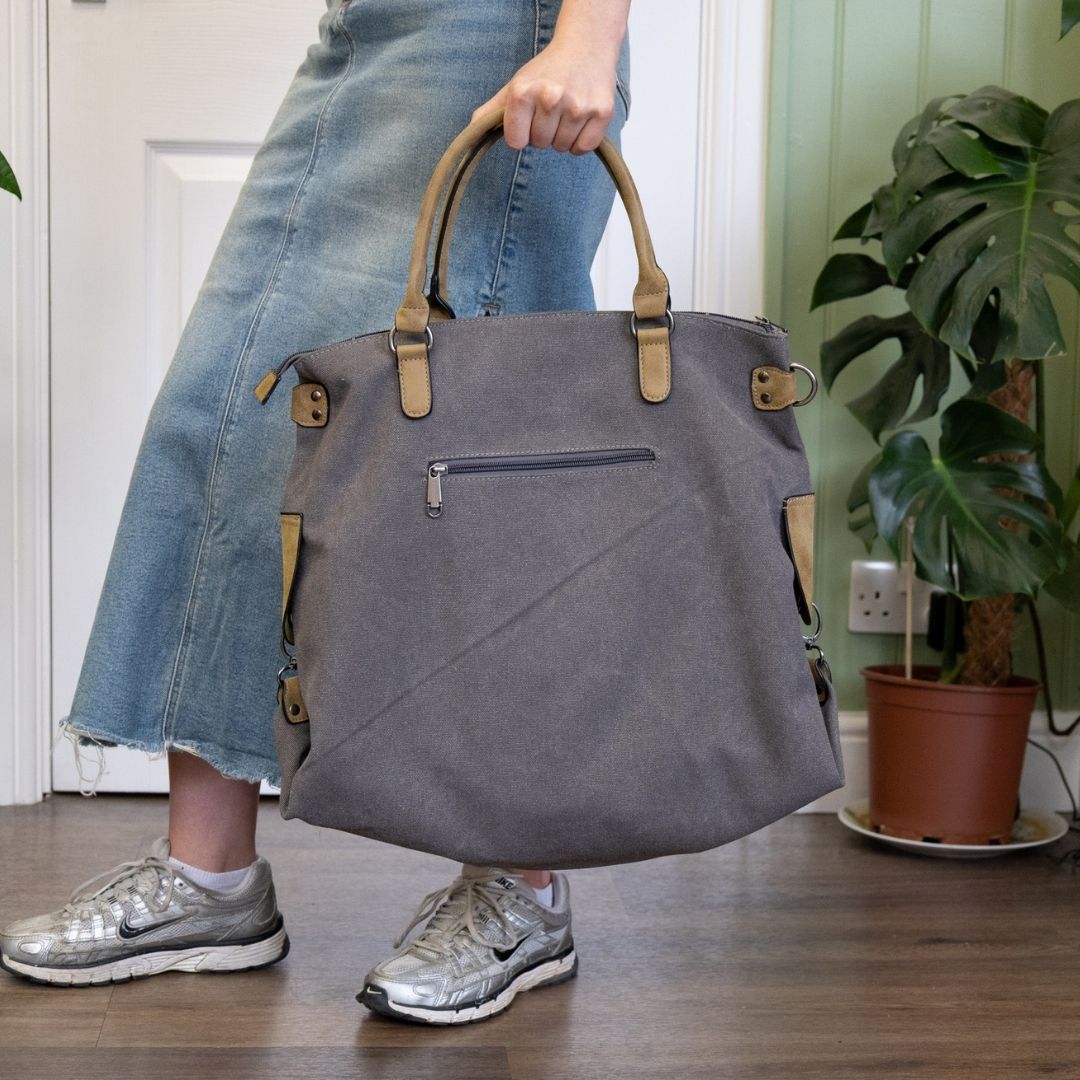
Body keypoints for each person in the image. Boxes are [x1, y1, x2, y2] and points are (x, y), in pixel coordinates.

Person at [0, 0, 632, 1025]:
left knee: (485, 480)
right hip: (363, 40)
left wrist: (589, 37)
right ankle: (210, 882)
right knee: (241, 419)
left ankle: (522, 888)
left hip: (507, 39)